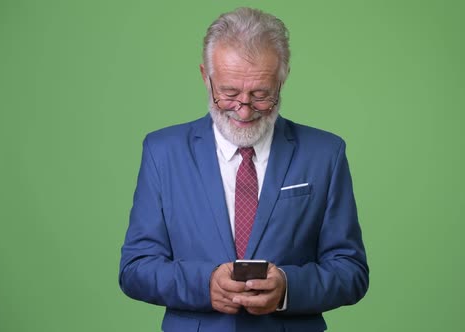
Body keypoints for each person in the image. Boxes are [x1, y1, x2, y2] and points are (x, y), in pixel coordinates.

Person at [119, 7, 368, 332]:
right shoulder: (162, 152)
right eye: (229, 93)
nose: (245, 110)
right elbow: (135, 268)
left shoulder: (325, 153)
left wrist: (287, 289)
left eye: (262, 94)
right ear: (205, 77)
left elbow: (351, 271)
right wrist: (204, 285)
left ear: (284, 76)